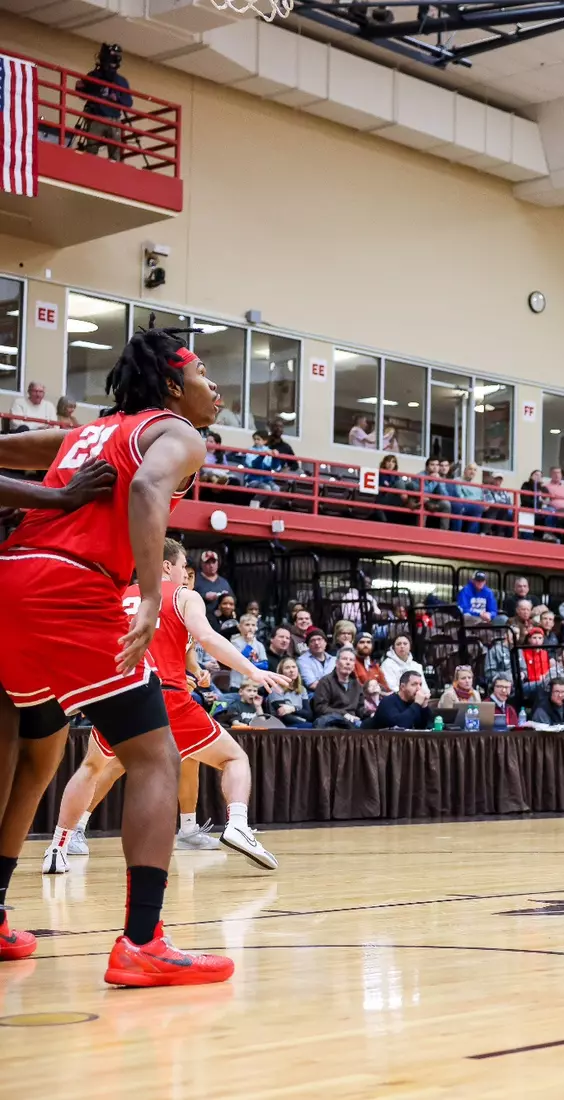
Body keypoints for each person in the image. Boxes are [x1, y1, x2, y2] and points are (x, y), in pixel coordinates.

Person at [0, 322, 235, 985]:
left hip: (8, 581)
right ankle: (142, 942)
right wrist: (155, 595)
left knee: (33, 753)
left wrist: (47, 496)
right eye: (202, 374)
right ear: (169, 385)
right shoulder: (176, 435)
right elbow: (142, 491)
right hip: (72, 592)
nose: (214, 386)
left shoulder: (83, 434)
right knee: (154, 757)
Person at [43, 538, 287, 876]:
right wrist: (253, 670)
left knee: (92, 768)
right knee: (234, 758)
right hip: (166, 697)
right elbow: (209, 639)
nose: (187, 574)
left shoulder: (117, 595)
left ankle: (57, 846)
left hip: (119, 696)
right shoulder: (183, 597)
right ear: (165, 566)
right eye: (183, 566)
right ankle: (237, 824)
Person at [74, 43, 133, 159]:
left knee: (115, 151)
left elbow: (128, 102)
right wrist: (79, 88)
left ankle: (115, 167)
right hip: (96, 116)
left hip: (114, 120)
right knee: (91, 148)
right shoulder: (94, 75)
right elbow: (84, 94)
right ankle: (90, 164)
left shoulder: (121, 81)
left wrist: (117, 99)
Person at [312, 650, 369, 729]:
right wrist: (343, 714)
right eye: (345, 659)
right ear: (337, 663)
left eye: (351, 660)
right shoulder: (325, 682)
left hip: (353, 721)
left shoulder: (357, 684)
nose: (348, 662)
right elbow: (320, 707)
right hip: (333, 722)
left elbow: (360, 709)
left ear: (353, 665)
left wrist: (371, 713)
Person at [193, 548, 232, 612]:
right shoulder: (194, 579)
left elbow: (233, 600)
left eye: (213, 562)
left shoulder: (224, 582)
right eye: (208, 562)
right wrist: (204, 596)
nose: (211, 565)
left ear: (217, 563)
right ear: (202, 564)